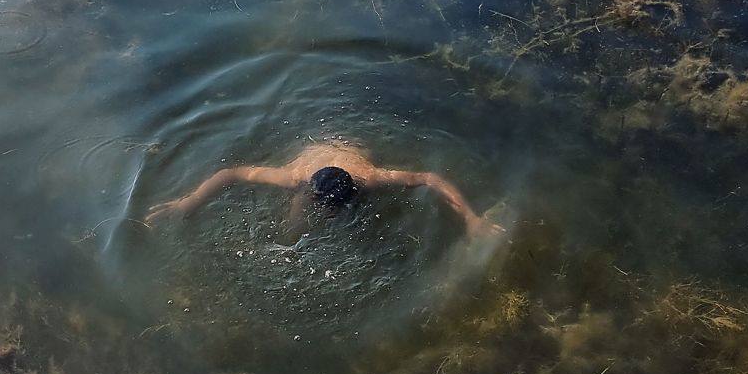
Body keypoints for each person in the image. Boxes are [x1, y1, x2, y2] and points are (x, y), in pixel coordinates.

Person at [145, 141, 504, 237]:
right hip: (317, 150)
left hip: (350, 146)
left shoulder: (369, 178)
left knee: (294, 228)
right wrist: (187, 203)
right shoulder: (294, 177)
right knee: (291, 230)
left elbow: (429, 177)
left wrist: (471, 218)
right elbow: (231, 173)